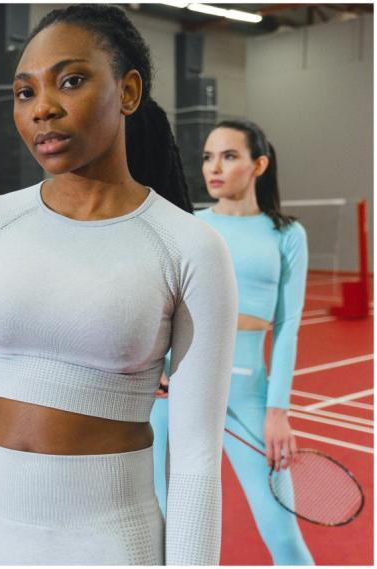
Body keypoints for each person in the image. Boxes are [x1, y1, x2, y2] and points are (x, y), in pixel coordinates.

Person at [0, 5, 237, 565]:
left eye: (71, 81)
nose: (42, 108)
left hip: (110, 544)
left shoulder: (190, 247)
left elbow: (196, 459)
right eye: (24, 92)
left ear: (128, 92)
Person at [150, 119, 313, 564]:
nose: (214, 167)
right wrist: (155, 368)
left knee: (283, 533)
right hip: (176, 391)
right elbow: (160, 305)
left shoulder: (287, 235)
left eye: (229, 156)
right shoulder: (189, 226)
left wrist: (278, 410)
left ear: (259, 164)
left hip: (248, 395)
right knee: (161, 530)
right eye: (208, 157)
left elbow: (288, 325)